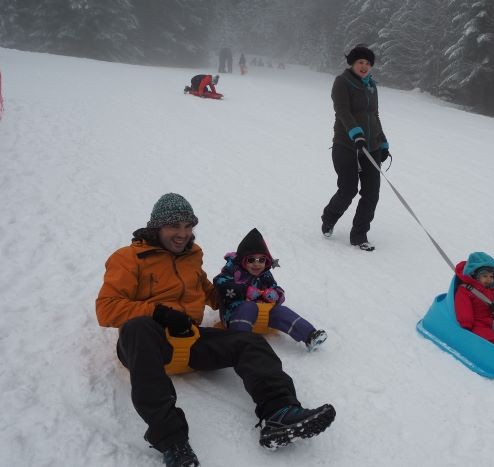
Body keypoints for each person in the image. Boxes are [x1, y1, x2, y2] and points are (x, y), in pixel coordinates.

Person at [95, 193, 335, 467]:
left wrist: (238, 294)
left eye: (188, 226)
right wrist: (159, 313)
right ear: (156, 227)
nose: (183, 234)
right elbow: (107, 307)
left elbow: (208, 290)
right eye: (175, 226)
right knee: (137, 328)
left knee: (248, 342)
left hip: (190, 340)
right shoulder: (128, 258)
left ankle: (279, 413)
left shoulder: (191, 256)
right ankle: (173, 442)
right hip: (148, 343)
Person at [321, 45, 391, 252]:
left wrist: (383, 140)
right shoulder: (342, 82)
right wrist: (356, 134)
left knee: (371, 193)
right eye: (361, 62)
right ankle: (329, 218)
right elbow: (342, 111)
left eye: (368, 63)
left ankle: (359, 234)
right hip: (347, 145)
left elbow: (374, 115)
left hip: (371, 147)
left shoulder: (372, 86)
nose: (364, 66)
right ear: (352, 63)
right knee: (348, 189)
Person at [213, 228, 327, 351]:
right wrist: (244, 290)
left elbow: (276, 288)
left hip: (261, 315)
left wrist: (276, 294)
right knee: (248, 307)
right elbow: (219, 282)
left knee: (281, 311)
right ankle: (238, 342)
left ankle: (310, 336)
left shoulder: (265, 274)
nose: (257, 264)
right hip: (234, 315)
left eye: (261, 260)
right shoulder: (233, 269)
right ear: (243, 260)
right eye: (251, 260)